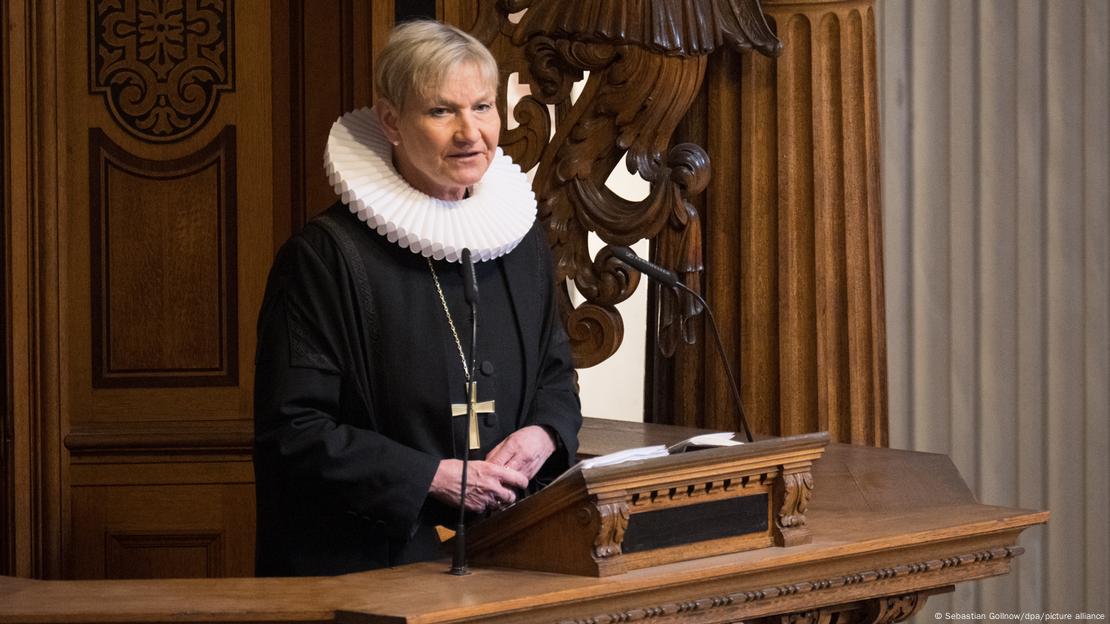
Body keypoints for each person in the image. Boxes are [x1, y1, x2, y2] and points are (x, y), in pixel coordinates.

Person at [252, 20, 582, 576]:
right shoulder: (324, 258)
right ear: (391, 121)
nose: (469, 132)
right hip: (374, 565)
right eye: (441, 111)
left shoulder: (520, 242)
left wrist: (545, 433)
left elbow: (556, 373)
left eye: (483, 106)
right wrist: (430, 476)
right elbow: (292, 433)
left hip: (514, 549)